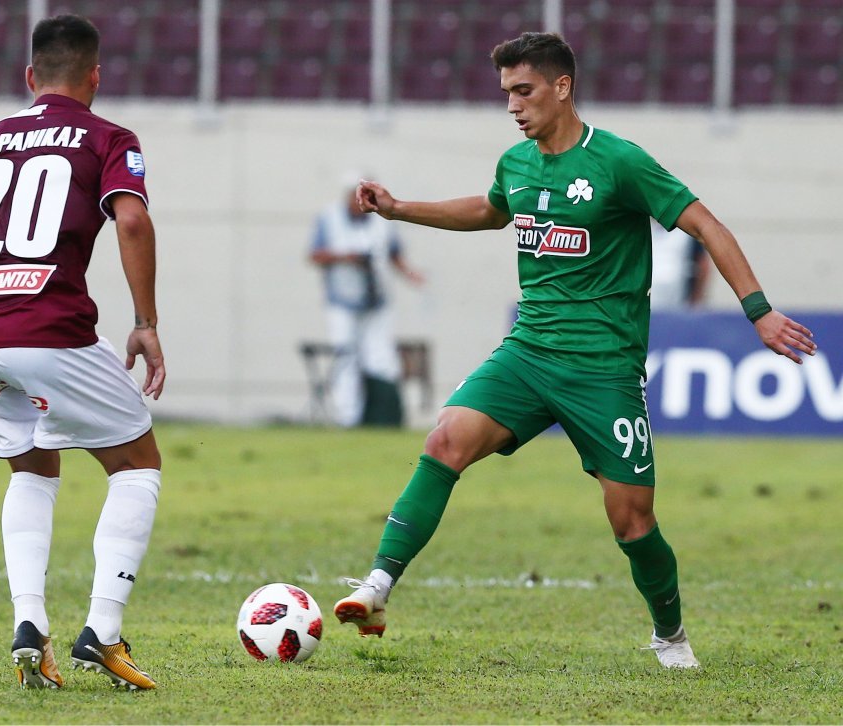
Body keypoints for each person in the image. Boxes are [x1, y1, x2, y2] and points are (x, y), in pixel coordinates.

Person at [333, 32, 816, 669]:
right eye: (506, 93)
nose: (512, 105)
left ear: (562, 87)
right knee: (444, 441)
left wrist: (759, 311)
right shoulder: (517, 163)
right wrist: (400, 209)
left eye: (524, 91)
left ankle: (670, 636)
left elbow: (705, 224)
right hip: (528, 352)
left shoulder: (618, 161)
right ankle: (377, 586)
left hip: (604, 369)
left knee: (632, 521)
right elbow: (491, 210)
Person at [0, 15, 166, 691]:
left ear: (29, 77)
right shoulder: (107, 137)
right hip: (48, 330)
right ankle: (103, 631)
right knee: (136, 463)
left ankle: (29, 626)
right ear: (95, 76)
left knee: (32, 468)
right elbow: (132, 219)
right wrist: (145, 321)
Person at [310, 174, 424, 427]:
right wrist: (346, 258)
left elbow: (394, 254)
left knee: (380, 358)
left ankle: (384, 417)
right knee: (345, 357)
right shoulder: (330, 218)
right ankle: (348, 418)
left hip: (377, 300)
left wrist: (410, 274)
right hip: (343, 301)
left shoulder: (384, 219)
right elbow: (315, 255)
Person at [649, 218, 709, 309]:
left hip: (679, 299)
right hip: (650, 300)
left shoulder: (687, 232)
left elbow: (702, 264)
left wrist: (696, 299)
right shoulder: (645, 230)